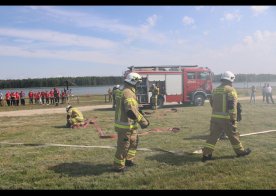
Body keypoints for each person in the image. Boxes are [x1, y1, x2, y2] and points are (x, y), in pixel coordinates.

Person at [202, 71, 251, 162]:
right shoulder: (230, 90)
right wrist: (233, 117)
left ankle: (206, 154)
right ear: (231, 79)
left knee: (213, 136)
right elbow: (232, 105)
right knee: (233, 136)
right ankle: (240, 152)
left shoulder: (215, 90)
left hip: (215, 118)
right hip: (227, 118)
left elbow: (212, 102)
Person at [113, 72, 150, 172]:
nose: (138, 85)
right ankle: (119, 166)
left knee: (133, 143)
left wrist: (139, 111)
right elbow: (130, 111)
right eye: (138, 83)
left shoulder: (124, 90)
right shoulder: (128, 92)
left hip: (130, 125)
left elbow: (132, 108)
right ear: (132, 81)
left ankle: (129, 160)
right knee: (123, 146)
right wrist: (143, 122)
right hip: (125, 125)